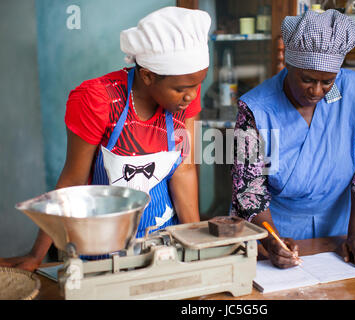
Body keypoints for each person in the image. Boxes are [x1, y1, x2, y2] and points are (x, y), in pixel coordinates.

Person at [0, 6, 211, 270]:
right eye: (181, 88)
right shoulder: (97, 100)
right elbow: (72, 182)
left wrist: (194, 245)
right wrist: (36, 255)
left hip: (163, 246)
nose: (192, 96)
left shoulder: (183, 99)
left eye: (197, 84)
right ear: (147, 75)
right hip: (100, 249)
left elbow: (185, 169)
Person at [231, 10, 355, 271]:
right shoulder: (255, 108)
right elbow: (249, 188)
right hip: (273, 229)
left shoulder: (353, 93)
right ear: (288, 64)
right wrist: (272, 242)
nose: (316, 91)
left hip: (339, 232)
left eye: (327, 82)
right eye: (307, 80)